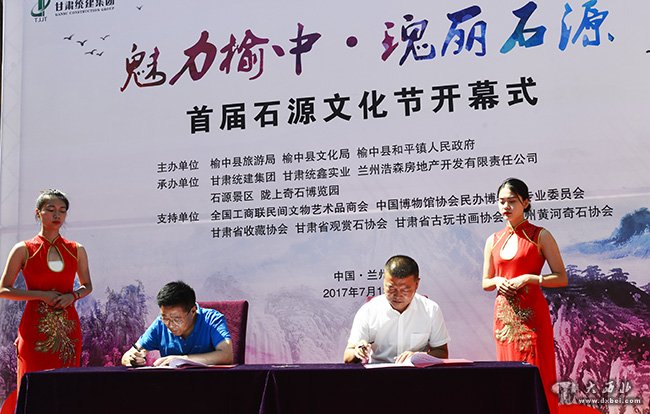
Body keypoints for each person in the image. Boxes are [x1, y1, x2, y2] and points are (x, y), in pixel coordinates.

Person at [0, 189, 92, 413]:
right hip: (34, 329)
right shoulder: (24, 249)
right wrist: (41, 295)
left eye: (62, 210)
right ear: (38, 213)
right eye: (50, 210)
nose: (57, 215)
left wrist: (73, 296)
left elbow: (87, 285)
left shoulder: (76, 250)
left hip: (68, 330)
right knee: (33, 386)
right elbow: (3, 289)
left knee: (66, 387)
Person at [482, 178, 568, 414]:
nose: (506, 207)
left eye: (512, 201)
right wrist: (498, 281)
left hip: (532, 318)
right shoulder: (493, 240)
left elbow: (561, 277)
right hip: (504, 318)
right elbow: (486, 282)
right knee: (508, 374)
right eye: (501, 202)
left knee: (538, 371)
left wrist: (531, 278)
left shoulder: (540, 235)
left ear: (526, 202)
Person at [343, 255, 450, 364]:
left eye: (404, 290)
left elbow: (442, 352)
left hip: (416, 372)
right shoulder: (368, 311)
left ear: (417, 284)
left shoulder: (431, 310)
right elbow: (348, 357)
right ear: (384, 281)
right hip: (379, 372)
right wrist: (357, 351)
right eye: (391, 288)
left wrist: (418, 356)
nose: (397, 295)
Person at [121, 281, 233, 367]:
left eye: (177, 319)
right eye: (165, 318)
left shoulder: (212, 320)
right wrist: (132, 359)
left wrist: (181, 360)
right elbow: (127, 356)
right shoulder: (160, 324)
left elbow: (226, 355)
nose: (170, 325)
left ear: (193, 311)